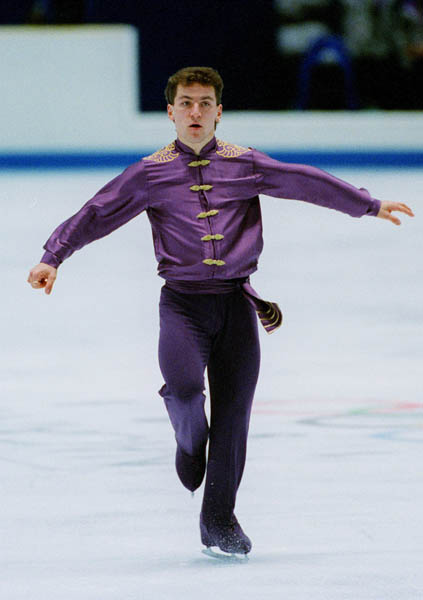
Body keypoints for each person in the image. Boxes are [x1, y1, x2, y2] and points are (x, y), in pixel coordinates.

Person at [27, 66, 414, 556]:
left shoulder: (244, 162)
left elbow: (305, 183)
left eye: (205, 103)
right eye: (186, 103)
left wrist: (368, 204)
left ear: (219, 111)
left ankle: (219, 519)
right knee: (186, 391)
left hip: (235, 304)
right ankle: (189, 444)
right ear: (170, 112)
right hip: (183, 307)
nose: (195, 112)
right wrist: (52, 256)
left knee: (234, 417)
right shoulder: (149, 172)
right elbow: (96, 212)